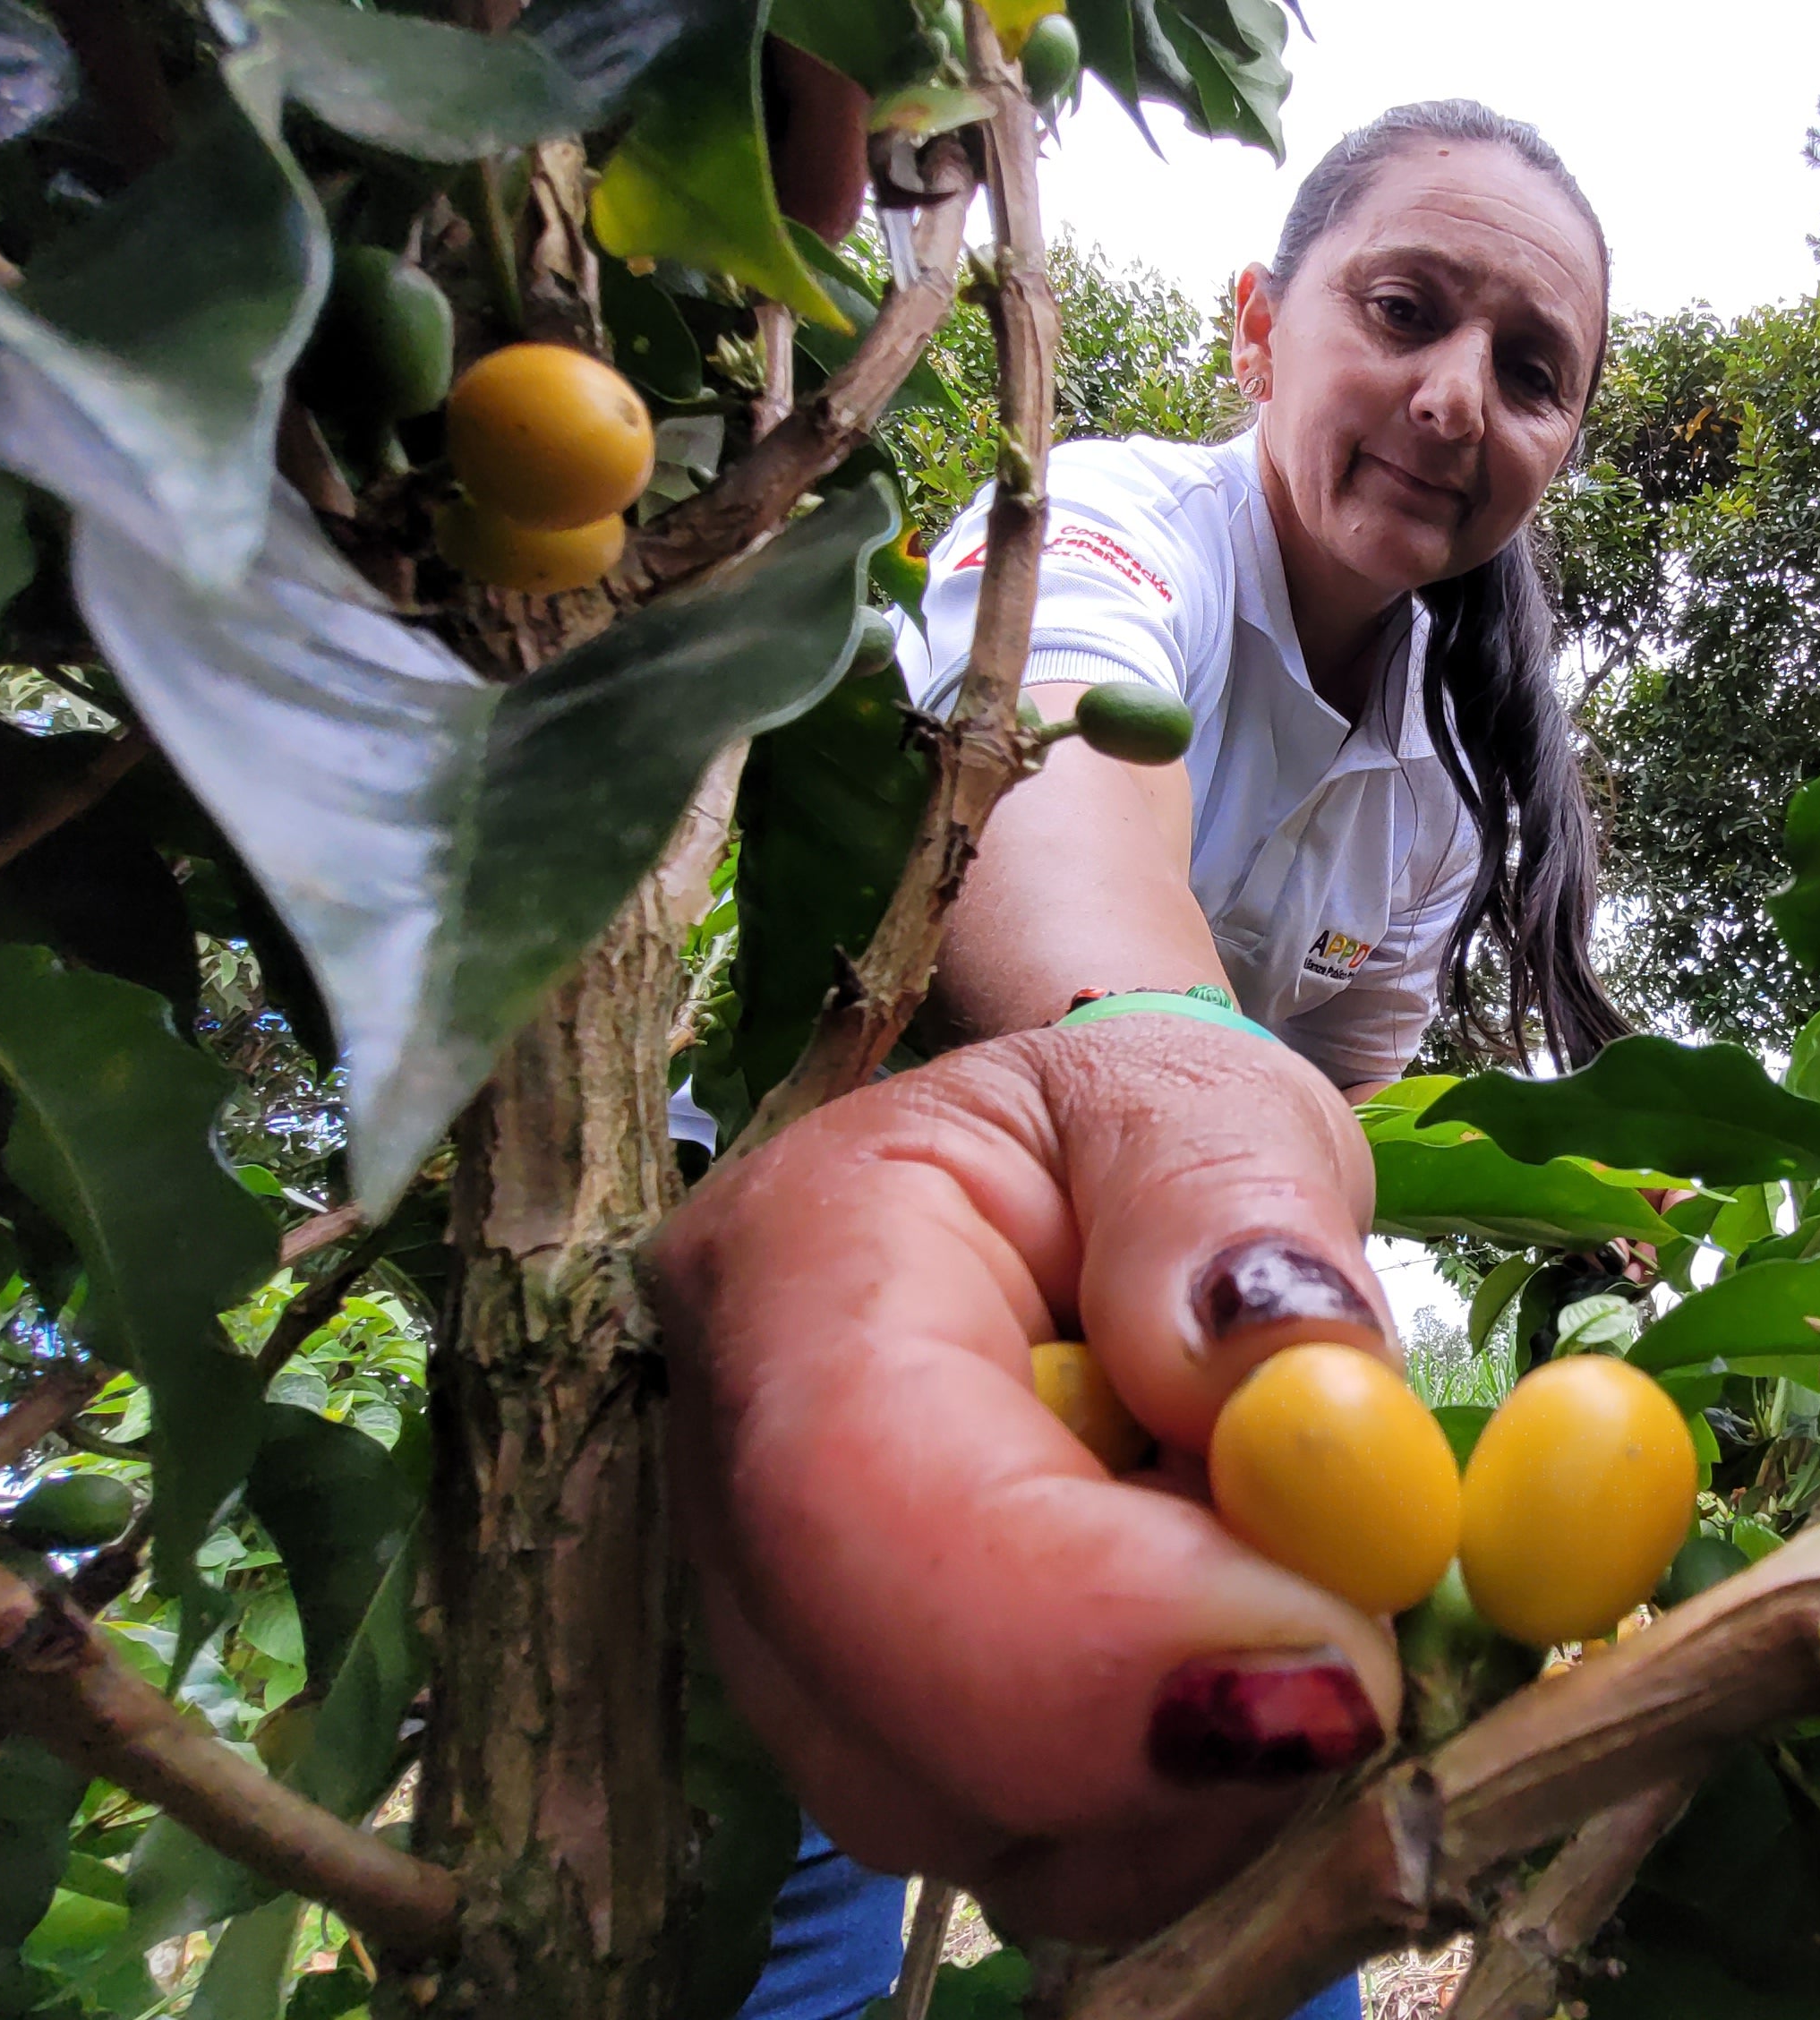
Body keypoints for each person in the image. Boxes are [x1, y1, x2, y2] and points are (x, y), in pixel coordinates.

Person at [649, 99, 1624, 2013]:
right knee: (793, 1914)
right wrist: (1189, 1087)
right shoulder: (1100, 522)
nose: (1454, 399)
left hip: (1125, 1382)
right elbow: (1060, 812)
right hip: (853, 1318)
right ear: (1257, 327)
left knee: (1260, 1912)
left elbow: (1338, 1116)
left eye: (1529, 372)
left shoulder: (1435, 795)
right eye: (1404, 312)